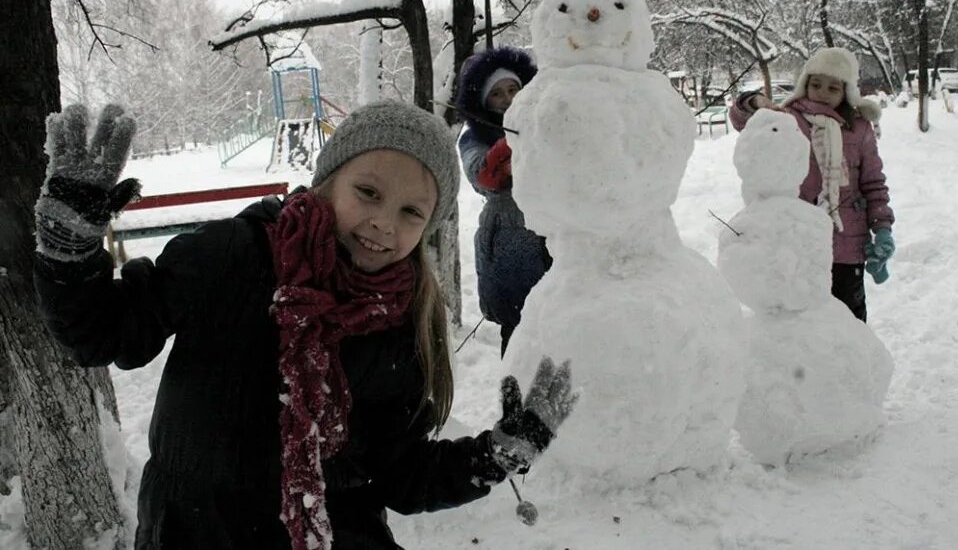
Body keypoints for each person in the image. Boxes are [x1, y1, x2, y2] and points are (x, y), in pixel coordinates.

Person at [33, 101, 576, 550]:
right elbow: (102, 332)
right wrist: (71, 246)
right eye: (368, 192)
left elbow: (403, 473)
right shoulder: (233, 256)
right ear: (327, 183)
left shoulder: (399, 322)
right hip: (197, 533)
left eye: (412, 212)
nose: (384, 223)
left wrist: (502, 452)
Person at [729, 47, 895, 322]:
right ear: (805, 83)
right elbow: (741, 120)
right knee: (802, 321)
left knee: (848, 322)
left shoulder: (859, 128)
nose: (822, 92)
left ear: (846, 92)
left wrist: (883, 228)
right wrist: (753, 101)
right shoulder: (788, 119)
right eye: (815, 84)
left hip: (848, 244)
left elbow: (874, 183)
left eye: (833, 87)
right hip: (799, 240)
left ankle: (851, 366)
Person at [456, 46, 552, 356]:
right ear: (484, 101)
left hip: (552, 233)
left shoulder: (545, 126)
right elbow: (483, 178)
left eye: (513, 89)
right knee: (519, 337)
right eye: (497, 93)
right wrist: (512, 143)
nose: (508, 98)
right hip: (508, 243)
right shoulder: (474, 139)